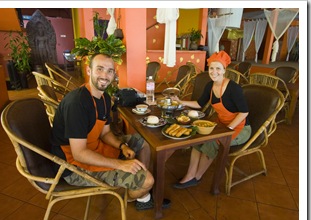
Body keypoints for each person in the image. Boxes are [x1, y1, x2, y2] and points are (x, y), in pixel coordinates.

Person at [51, 53, 171, 210]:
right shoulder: (77, 104)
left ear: (114, 74)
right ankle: (134, 195)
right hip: (73, 166)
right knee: (148, 181)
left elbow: (105, 133)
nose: (104, 75)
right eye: (99, 69)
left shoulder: (105, 98)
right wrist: (121, 164)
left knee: (145, 142)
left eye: (109, 71)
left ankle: (137, 188)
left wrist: (122, 146)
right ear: (89, 70)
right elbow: (79, 153)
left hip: (95, 147)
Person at [171, 51, 252, 189]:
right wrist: (180, 101)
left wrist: (228, 129)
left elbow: (244, 112)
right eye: (211, 68)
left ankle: (197, 177)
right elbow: (199, 104)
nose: (214, 72)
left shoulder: (234, 88)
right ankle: (190, 174)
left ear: (224, 70)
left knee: (213, 142)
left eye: (218, 68)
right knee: (199, 137)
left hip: (240, 127)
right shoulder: (210, 86)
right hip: (222, 124)